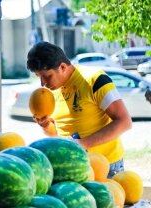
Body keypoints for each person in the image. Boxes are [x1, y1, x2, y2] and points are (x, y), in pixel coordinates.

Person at [26, 42, 132, 178]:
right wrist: (46, 125)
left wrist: (82, 144)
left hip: (106, 165)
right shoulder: (50, 91)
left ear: (63, 67)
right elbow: (57, 133)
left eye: (47, 76)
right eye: (39, 77)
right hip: (72, 165)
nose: (43, 83)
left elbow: (124, 122)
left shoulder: (95, 79)